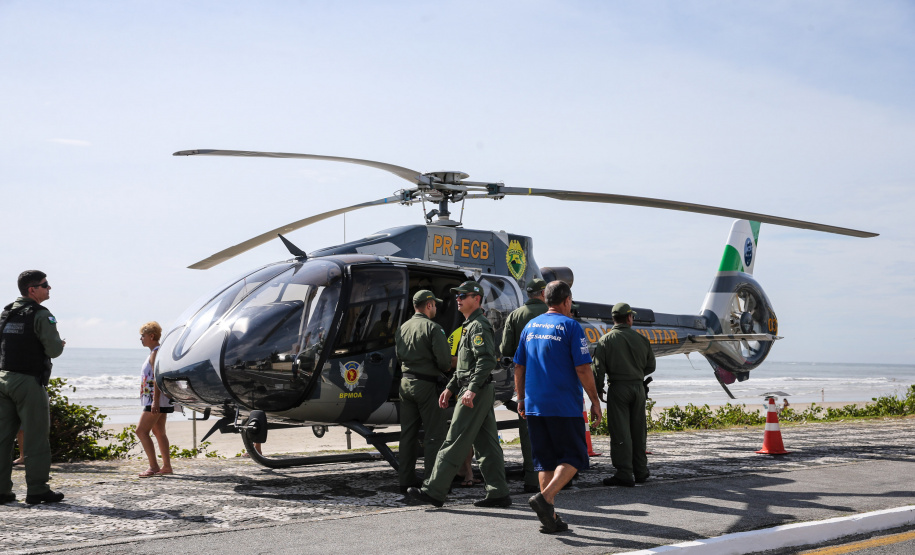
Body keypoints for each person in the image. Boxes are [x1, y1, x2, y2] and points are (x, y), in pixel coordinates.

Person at [407, 281, 511, 508]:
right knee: (487, 444)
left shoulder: (478, 326)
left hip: (476, 390)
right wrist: (450, 387)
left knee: (454, 439)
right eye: (457, 295)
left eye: (464, 295)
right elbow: (464, 366)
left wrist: (471, 390)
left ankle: (434, 491)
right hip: (475, 388)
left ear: (477, 299)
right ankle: (498, 492)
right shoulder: (469, 326)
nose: (458, 299)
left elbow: (485, 361)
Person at [514, 280, 602, 533]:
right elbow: (583, 368)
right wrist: (595, 401)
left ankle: (549, 518)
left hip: (535, 405)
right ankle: (545, 498)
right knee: (575, 456)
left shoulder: (530, 326)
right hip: (563, 405)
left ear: (545, 300)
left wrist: (521, 398)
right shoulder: (571, 327)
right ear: (566, 301)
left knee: (545, 462)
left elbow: (519, 366)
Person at [0, 270, 66, 504]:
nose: (49, 288)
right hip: (28, 381)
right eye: (45, 285)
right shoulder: (41, 314)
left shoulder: (7, 312)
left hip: (3, 378)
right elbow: (54, 350)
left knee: (3, 438)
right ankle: (37, 490)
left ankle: (2, 491)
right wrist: (60, 344)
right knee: (36, 436)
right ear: (32, 290)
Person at [592, 302, 655, 487]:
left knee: (620, 432)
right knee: (638, 431)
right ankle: (641, 471)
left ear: (613, 319)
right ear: (629, 318)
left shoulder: (606, 340)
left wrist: (599, 389)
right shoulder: (641, 339)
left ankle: (624, 473)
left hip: (618, 388)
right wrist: (636, 374)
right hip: (638, 388)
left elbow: (598, 370)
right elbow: (651, 366)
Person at [395, 290, 452, 493]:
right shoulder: (433, 328)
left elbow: (399, 357)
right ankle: (432, 482)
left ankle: (405, 480)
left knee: (407, 434)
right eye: (434, 304)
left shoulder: (403, 327)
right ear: (429, 305)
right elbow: (445, 363)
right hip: (427, 386)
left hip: (406, 383)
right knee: (434, 435)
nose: (436, 308)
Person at [499, 277, 548, 494]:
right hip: (554, 378)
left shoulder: (516, 315)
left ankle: (532, 478)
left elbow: (506, 349)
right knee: (556, 428)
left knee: (529, 430)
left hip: (527, 379)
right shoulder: (554, 314)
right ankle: (561, 476)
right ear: (543, 293)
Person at [135, 321, 174, 477]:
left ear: (151, 336)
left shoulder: (155, 353)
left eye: (142, 336)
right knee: (158, 431)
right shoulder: (156, 352)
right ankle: (166, 467)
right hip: (158, 399)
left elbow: (157, 378)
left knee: (141, 431)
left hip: (156, 400)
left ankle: (153, 466)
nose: (141, 339)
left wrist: (155, 402)